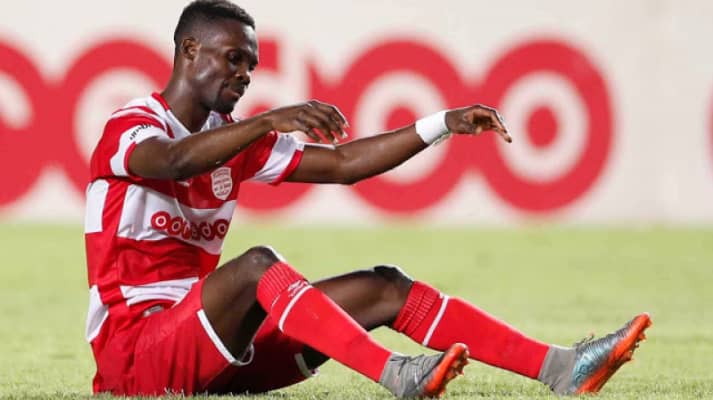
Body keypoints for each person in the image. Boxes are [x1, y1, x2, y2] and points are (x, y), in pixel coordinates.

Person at [83, 0, 651, 397]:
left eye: (251, 65)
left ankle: (562, 368)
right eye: (234, 59)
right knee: (258, 266)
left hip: (215, 349)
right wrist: (268, 121)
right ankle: (396, 375)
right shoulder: (131, 125)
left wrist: (442, 123)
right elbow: (174, 160)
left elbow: (345, 164)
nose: (245, 74)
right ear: (189, 49)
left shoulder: (232, 138)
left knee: (384, 287)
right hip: (136, 361)